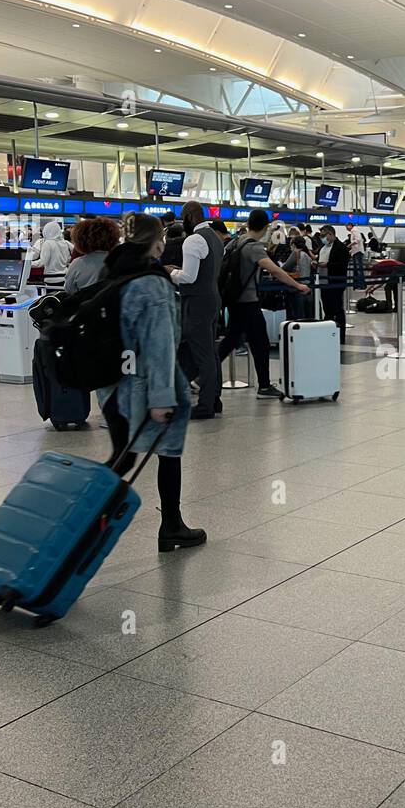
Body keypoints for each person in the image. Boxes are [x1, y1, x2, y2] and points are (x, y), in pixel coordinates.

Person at [99, 214, 205, 553]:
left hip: (114, 387)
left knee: (123, 457)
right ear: (156, 242)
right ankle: (171, 526)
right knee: (168, 454)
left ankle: (84, 514)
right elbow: (160, 346)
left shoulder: (112, 270)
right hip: (148, 388)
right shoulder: (153, 283)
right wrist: (162, 398)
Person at [217, 208, 309, 397]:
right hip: (247, 302)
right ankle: (264, 386)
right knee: (259, 342)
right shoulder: (253, 247)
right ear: (266, 227)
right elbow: (274, 270)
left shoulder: (235, 242)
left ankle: (200, 375)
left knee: (232, 340)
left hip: (234, 299)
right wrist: (297, 286)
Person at [168, 200, 224, 421]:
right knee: (211, 351)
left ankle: (205, 406)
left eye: (183, 218)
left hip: (197, 302)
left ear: (190, 216)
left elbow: (189, 277)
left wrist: (170, 273)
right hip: (212, 298)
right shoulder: (216, 238)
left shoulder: (193, 240)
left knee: (203, 354)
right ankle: (214, 399)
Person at [64, 217, 120, 293]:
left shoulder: (77, 264)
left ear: (80, 239)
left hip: (83, 303)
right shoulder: (118, 261)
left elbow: (69, 290)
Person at [317, 223, 349, 342]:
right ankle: (327, 333)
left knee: (337, 309)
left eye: (324, 235)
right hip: (323, 281)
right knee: (327, 308)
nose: (322, 238)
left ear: (331, 234)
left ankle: (340, 336)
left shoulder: (341, 248)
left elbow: (342, 264)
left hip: (336, 282)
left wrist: (328, 265)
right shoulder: (323, 248)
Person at [29, 220, 72, 288]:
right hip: (65, 277)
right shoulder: (66, 243)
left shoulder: (48, 243)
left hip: (51, 279)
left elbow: (42, 262)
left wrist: (28, 264)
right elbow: (75, 254)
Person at [282, 236, 313, 320]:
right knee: (306, 316)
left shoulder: (295, 253)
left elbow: (284, 268)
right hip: (307, 287)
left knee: (296, 316)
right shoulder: (307, 254)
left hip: (296, 288)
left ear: (293, 244)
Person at [347, 223, 365, 289]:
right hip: (355, 252)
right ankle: (356, 284)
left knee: (358, 269)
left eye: (347, 226)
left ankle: (361, 285)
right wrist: (351, 251)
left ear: (350, 225)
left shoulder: (354, 230)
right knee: (356, 269)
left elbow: (358, 240)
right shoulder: (353, 231)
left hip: (358, 252)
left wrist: (349, 245)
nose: (346, 228)